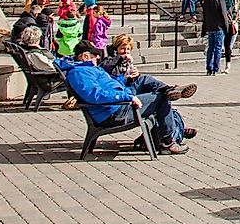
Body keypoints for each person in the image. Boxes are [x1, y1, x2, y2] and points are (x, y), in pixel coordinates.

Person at [60, 42, 191, 154]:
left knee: (142, 79)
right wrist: (127, 96)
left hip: (118, 103)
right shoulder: (79, 73)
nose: (98, 59)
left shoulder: (86, 69)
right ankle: (168, 142)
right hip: (115, 112)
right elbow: (95, 95)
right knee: (161, 98)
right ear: (84, 56)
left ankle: (169, 89)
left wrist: (125, 78)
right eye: (95, 56)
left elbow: (109, 84)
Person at [101, 34, 197, 100]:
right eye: (122, 49)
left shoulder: (126, 61)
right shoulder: (109, 60)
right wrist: (122, 60)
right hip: (121, 92)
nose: (125, 52)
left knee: (162, 96)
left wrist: (134, 75)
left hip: (128, 87)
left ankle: (171, 91)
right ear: (116, 48)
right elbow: (107, 69)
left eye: (128, 49)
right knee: (145, 78)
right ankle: (169, 89)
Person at [201, 0, 233, 77]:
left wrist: (205, 27)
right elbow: (223, 14)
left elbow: (205, 14)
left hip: (210, 26)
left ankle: (209, 68)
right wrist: (227, 27)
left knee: (211, 48)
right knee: (218, 48)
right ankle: (216, 68)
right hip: (219, 27)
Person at [222, 0, 240, 74]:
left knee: (235, 32)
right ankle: (226, 49)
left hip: (235, 16)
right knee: (228, 35)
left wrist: (238, 13)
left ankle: (229, 48)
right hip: (228, 18)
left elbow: (237, 3)